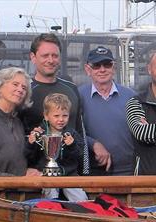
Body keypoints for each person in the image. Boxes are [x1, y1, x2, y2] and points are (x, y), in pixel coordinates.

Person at [21, 33, 89, 175]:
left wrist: (85, 171)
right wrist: (21, 171)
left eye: (55, 55)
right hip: (36, 177)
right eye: (45, 56)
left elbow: (79, 131)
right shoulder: (23, 91)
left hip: (70, 175)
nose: (50, 60)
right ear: (33, 57)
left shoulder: (71, 89)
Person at [78, 46, 137, 176]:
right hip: (92, 173)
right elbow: (72, 131)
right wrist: (94, 144)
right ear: (88, 69)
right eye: (97, 65)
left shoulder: (131, 96)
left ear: (114, 68)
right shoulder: (78, 96)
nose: (102, 69)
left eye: (107, 64)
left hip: (127, 172)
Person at [28, 93, 89, 201]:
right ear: (46, 116)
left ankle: (81, 213)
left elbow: (80, 154)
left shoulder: (72, 134)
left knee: (81, 200)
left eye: (65, 115)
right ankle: (52, 206)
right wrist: (31, 143)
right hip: (47, 174)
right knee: (49, 193)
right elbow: (31, 157)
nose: (61, 119)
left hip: (69, 174)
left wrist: (72, 145)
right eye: (56, 116)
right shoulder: (40, 133)